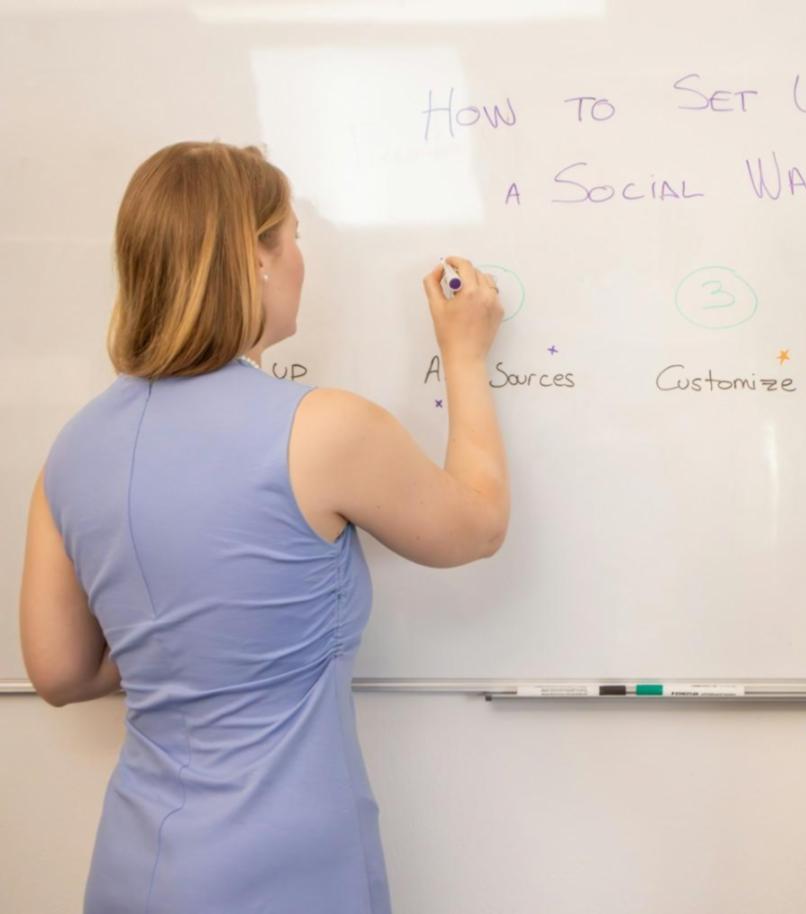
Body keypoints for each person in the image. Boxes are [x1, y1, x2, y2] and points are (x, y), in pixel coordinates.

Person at [19, 141, 510, 913]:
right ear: (254, 256)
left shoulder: (70, 452)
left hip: (132, 865)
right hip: (284, 870)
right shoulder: (322, 428)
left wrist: (182, 653)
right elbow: (477, 525)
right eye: (293, 236)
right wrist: (464, 354)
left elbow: (59, 674)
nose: (300, 260)